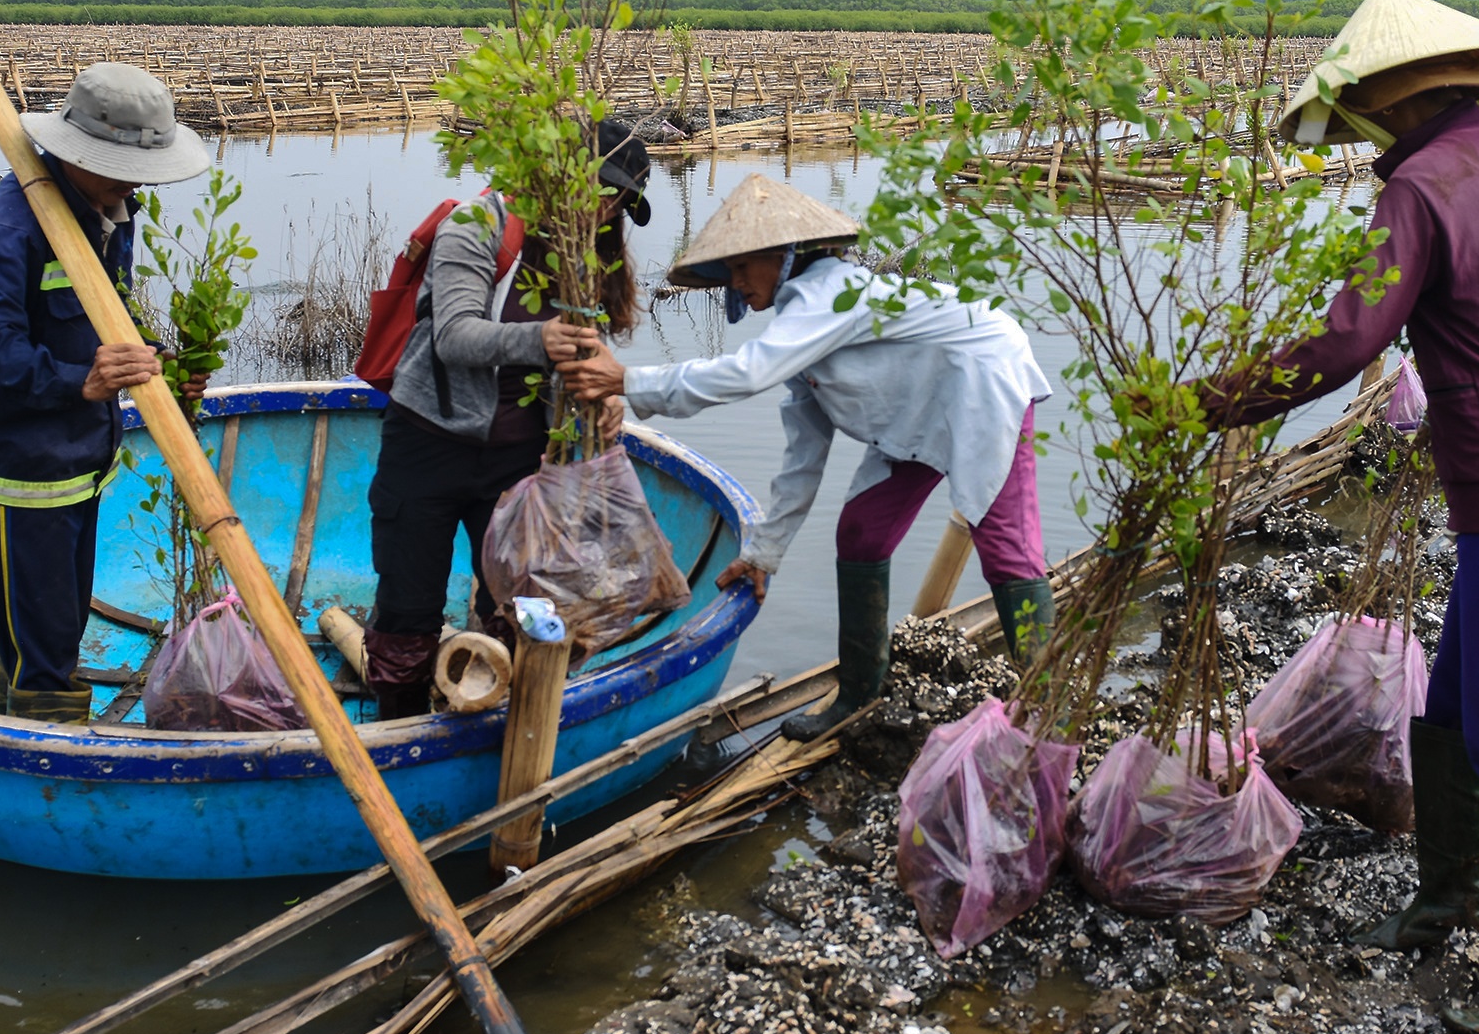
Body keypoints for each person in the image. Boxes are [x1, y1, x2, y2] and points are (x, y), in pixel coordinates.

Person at [1211, 0, 1479, 1034]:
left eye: (1364, 107)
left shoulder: (1424, 186)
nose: (1362, 125)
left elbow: (1348, 342)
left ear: (1391, 96)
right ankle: (1451, 896)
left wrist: (1218, 401)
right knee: (1454, 709)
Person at [556, 173, 1054, 742]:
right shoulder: (802, 326)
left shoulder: (829, 292)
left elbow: (747, 373)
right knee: (862, 534)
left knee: (1006, 550)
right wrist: (763, 555)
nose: (737, 282)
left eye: (746, 266)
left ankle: (1051, 717)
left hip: (982, 381)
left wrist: (627, 380)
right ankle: (861, 694)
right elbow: (803, 456)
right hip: (922, 409)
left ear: (787, 253)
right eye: (730, 271)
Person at [0, 63, 211, 723]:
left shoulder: (108, 210)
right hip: (23, 473)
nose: (134, 181)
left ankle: (18, 724)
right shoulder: (6, 228)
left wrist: (158, 362)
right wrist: (81, 381)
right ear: (75, 152)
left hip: (79, 465)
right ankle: (51, 761)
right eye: (119, 163)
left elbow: (105, 317)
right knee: (42, 654)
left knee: (51, 629)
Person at [361, 121, 646, 719]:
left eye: (616, 199)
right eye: (596, 189)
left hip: (519, 460)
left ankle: (505, 722)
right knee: (408, 611)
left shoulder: (584, 257)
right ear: (553, 175)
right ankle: (398, 730)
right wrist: (541, 338)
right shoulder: (476, 225)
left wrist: (607, 392)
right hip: (428, 444)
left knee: (520, 608)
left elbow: (585, 349)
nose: (602, 207)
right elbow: (456, 336)